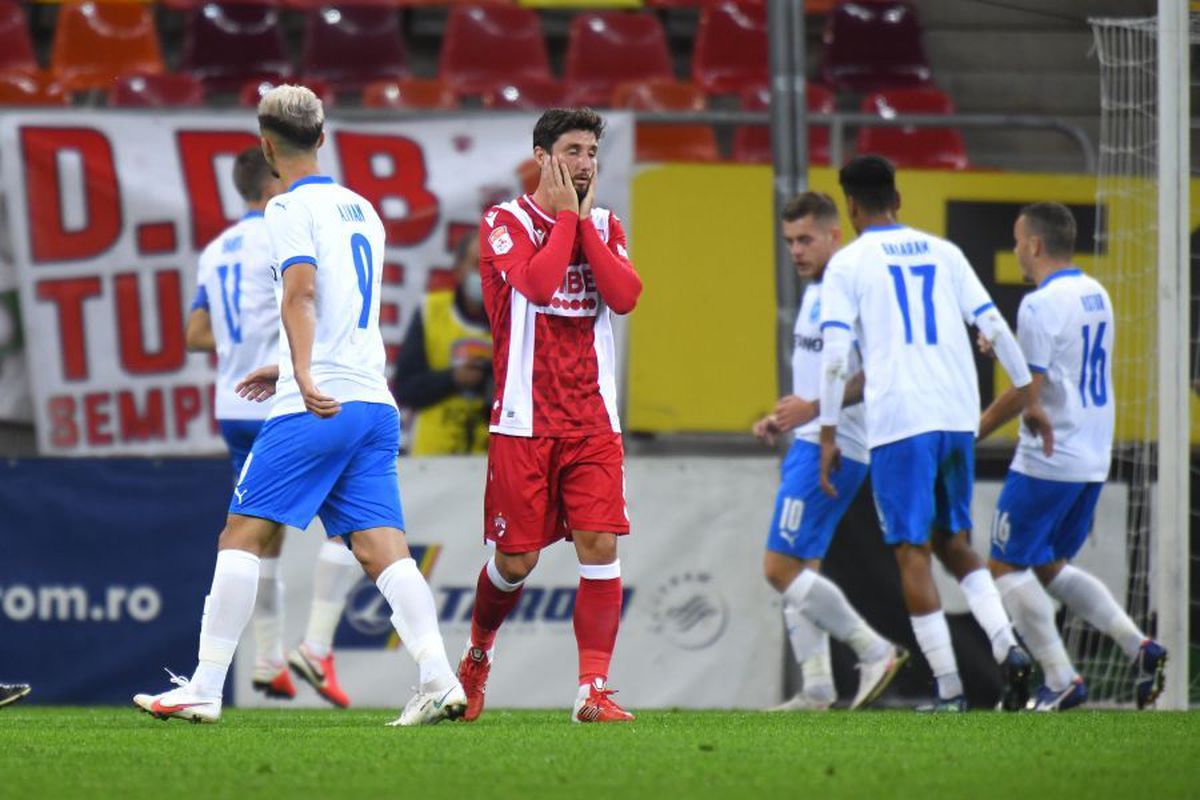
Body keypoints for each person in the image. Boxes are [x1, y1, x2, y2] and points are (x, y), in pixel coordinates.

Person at [134, 84, 465, 726]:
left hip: (318, 401)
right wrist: (288, 361)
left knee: (243, 533)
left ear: (267, 146)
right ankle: (439, 677)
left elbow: (304, 294)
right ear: (322, 137)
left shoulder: (283, 208)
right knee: (381, 549)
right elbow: (345, 305)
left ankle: (204, 686)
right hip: (373, 401)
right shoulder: (362, 208)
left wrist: (303, 373)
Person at [817, 155, 1033, 712]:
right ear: (900, 199)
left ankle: (950, 688)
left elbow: (837, 353)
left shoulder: (849, 264)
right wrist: (1027, 391)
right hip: (957, 415)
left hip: (902, 422)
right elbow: (995, 326)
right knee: (954, 544)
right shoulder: (947, 252)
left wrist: (826, 430)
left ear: (852, 207)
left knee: (912, 554)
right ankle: (1009, 646)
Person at [457, 108, 643, 724]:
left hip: (592, 419)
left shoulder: (608, 226)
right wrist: (567, 218)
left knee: (600, 545)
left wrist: (583, 224)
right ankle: (478, 654)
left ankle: (592, 689)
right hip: (524, 420)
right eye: (573, 150)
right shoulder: (504, 221)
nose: (586, 162)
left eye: (592, 151)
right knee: (517, 563)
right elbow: (536, 285)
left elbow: (624, 296)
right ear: (543, 157)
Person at [186, 147, 362, 709]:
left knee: (261, 536)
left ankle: (266, 660)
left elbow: (195, 334)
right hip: (282, 396)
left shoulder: (215, 250)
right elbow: (309, 300)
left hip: (231, 402)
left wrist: (240, 344)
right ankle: (315, 645)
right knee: (352, 522)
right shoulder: (283, 231)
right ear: (275, 183)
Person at [978, 202, 1167, 711]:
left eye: (1018, 241)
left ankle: (1061, 678)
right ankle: (1140, 646)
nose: (1017, 249)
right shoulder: (1095, 292)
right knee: (1048, 565)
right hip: (1090, 454)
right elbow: (1057, 366)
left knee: (1004, 566)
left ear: (1035, 245)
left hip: (1048, 455)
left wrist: (974, 431)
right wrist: (1006, 349)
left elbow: (1026, 390)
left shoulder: (1039, 304)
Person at [753, 192, 907, 712]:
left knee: (779, 568)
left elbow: (871, 372)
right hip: (819, 437)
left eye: (805, 239)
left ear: (834, 235)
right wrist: (782, 417)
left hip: (834, 444)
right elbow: (822, 372)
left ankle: (873, 649)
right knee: (803, 570)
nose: (796, 250)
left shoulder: (843, 290)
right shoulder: (822, 291)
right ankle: (818, 686)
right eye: (789, 241)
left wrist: (820, 422)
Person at [393, 232, 493, 455]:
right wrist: (455, 378)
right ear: (458, 270)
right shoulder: (431, 311)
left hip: (489, 461)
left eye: (492, 267)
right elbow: (405, 388)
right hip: (431, 461)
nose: (485, 274)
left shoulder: (513, 319)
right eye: (477, 265)